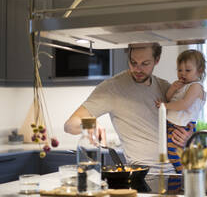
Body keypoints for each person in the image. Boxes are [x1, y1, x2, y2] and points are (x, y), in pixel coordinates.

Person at [64, 43, 194, 173]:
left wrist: (188, 138)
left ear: (157, 60)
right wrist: (88, 124)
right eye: (133, 62)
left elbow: (184, 121)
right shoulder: (112, 88)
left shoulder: (165, 88)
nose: (137, 69)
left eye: (145, 63)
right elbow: (69, 125)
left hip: (179, 172)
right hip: (144, 174)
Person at [156, 49, 206, 173]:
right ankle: (180, 179)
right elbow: (169, 98)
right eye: (180, 70)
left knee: (176, 155)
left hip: (183, 126)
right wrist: (173, 88)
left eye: (188, 70)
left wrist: (165, 106)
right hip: (173, 124)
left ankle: (183, 176)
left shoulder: (196, 86)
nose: (182, 73)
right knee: (171, 154)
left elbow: (184, 104)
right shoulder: (182, 86)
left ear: (199, 71)